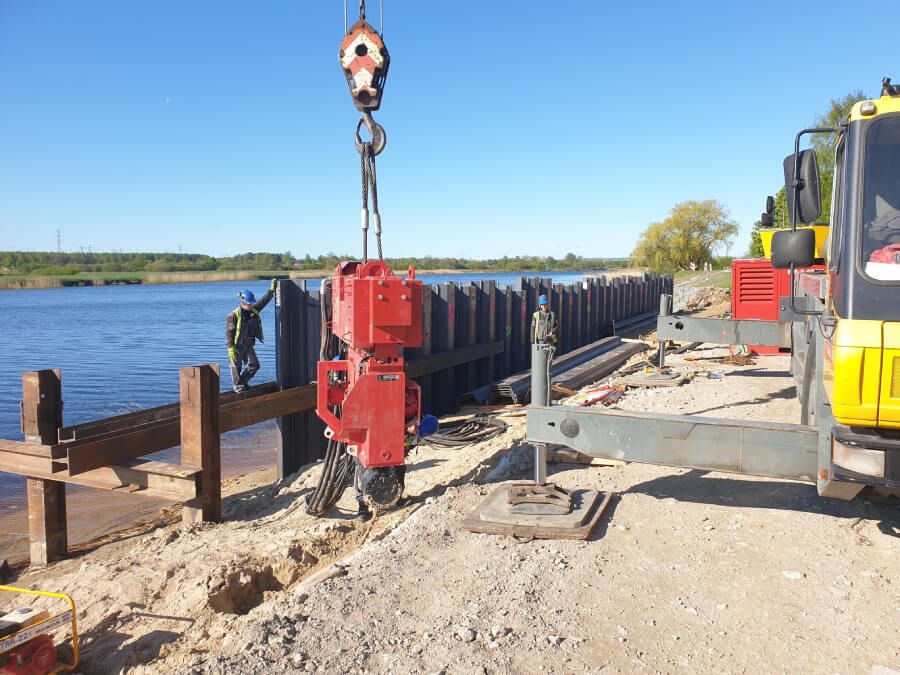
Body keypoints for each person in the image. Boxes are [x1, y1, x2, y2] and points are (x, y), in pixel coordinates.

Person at [226, 279, 277, 393]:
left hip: (248, 344)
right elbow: (229, 332)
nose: (251, 305)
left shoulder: (254, 310)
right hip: (236, 346)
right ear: (243, 302)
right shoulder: (233, 315)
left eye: (252, 303)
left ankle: (243, 382)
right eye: (249, 303)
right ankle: (239, 388)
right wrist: (230, 348)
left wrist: (271, 291)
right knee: (236, 368)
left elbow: (263, 302)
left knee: (254, 365)